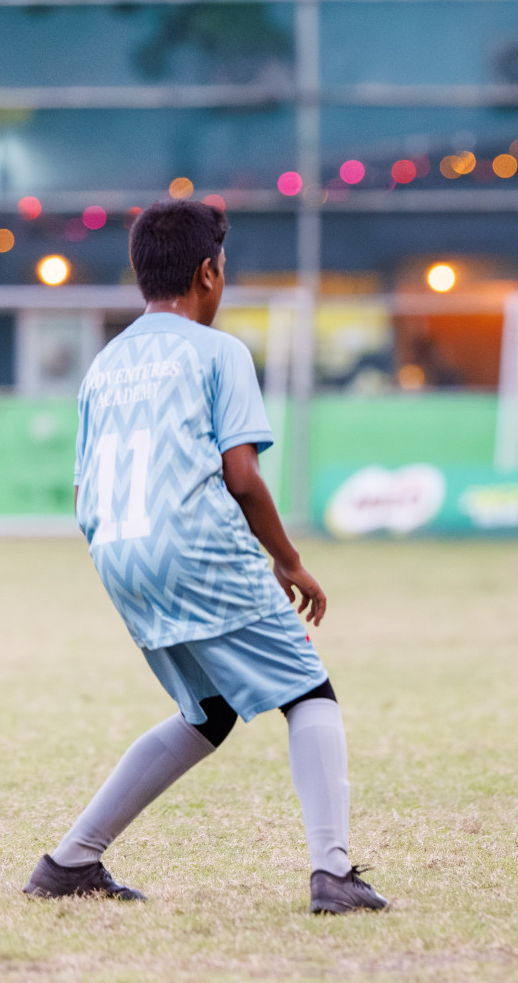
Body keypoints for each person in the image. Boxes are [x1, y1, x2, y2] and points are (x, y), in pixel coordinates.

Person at [24, 200, 386, 914]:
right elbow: (242, 475)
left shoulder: (105, 363)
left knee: (209, 712)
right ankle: (334, 874)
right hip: (196, 546)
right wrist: (287, 561)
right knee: (309, 691)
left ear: (138, 274)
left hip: (119, 552)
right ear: (209, 272)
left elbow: (79, 490)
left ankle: (69, 863)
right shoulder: (217, 351)